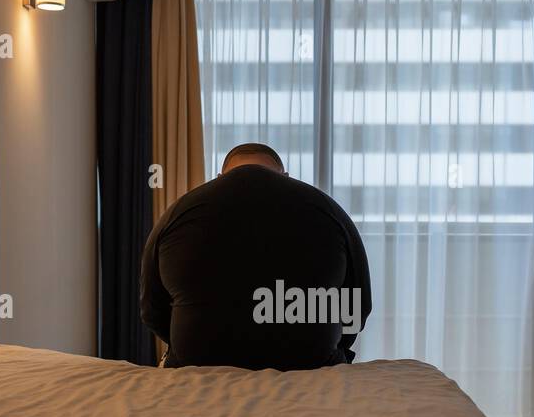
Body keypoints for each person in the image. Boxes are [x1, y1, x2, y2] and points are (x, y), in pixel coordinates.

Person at [140, 143, 372, 370]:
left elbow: (151, 309)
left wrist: (184, 340)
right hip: (312, 361)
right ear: (286, 175)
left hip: (197, 363)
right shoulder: (328, 210)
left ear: (220, 176)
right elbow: (358, 304)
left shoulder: (179, 212)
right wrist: (332, 345)